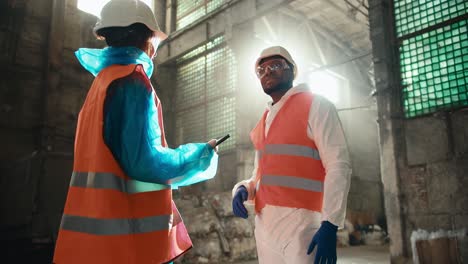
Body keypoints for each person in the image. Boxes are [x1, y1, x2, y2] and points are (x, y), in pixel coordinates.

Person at [53, 1, 218, 263]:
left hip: (91, 241)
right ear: (143, 37)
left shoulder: (102, 83)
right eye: (154, 38)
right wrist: (199, 155)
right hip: (126, 243)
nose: (154, 49)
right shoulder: (133, 82)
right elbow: (145, 163)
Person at [231, 46, 351, 264]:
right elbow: (260, 175)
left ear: (292, 70)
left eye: (275, 65)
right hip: (265, 228)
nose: (267, 72)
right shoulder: (265, 120)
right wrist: (243, 188)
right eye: (261, 69)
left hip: (303, 226)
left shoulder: (316, 105)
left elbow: (338, 165)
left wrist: (331, 223)